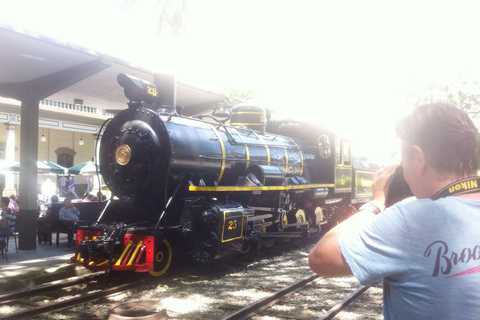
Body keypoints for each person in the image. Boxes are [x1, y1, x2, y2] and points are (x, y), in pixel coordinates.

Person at [309, 102, 480, 320]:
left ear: (419, 158)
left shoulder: (411, 218)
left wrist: (377, 202)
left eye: (402, 163)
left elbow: (321, 258)